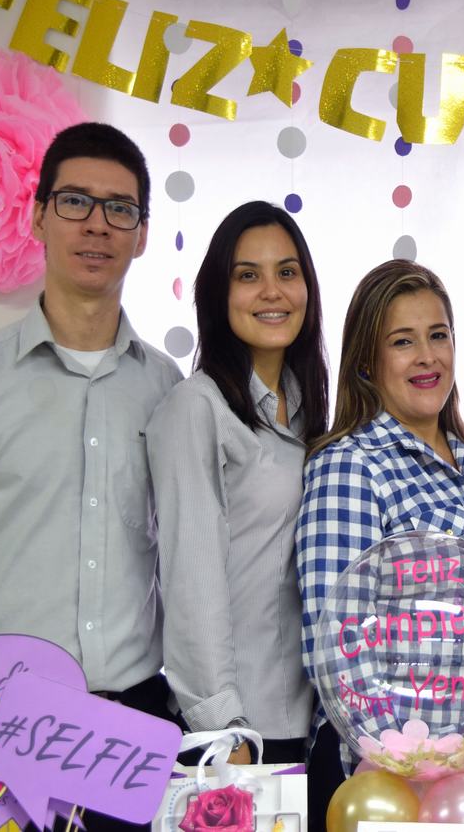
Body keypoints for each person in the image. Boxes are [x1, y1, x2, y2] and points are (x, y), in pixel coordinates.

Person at [0, 122, 182, 830]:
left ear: (143, 232)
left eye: (119, 208)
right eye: (75, 202)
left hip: (128, 728)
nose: (97, 225)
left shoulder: (169, 391)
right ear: (38, 215)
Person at [295, 260, 464, 825]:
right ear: (368, 361)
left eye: (438, 335)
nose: (427, 356)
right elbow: (335, 643)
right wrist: (404, 760)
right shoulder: (350, 467)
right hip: (386, 781)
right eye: (402, 341)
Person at [146, 201, 328, 765]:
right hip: (239, 735)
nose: (272, 291)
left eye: (287, 272)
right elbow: (190, 582)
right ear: (217, 295)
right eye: (247, 275)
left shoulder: (305, 412)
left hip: (311, 722)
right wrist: (224, 729)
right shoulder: (196, 409)